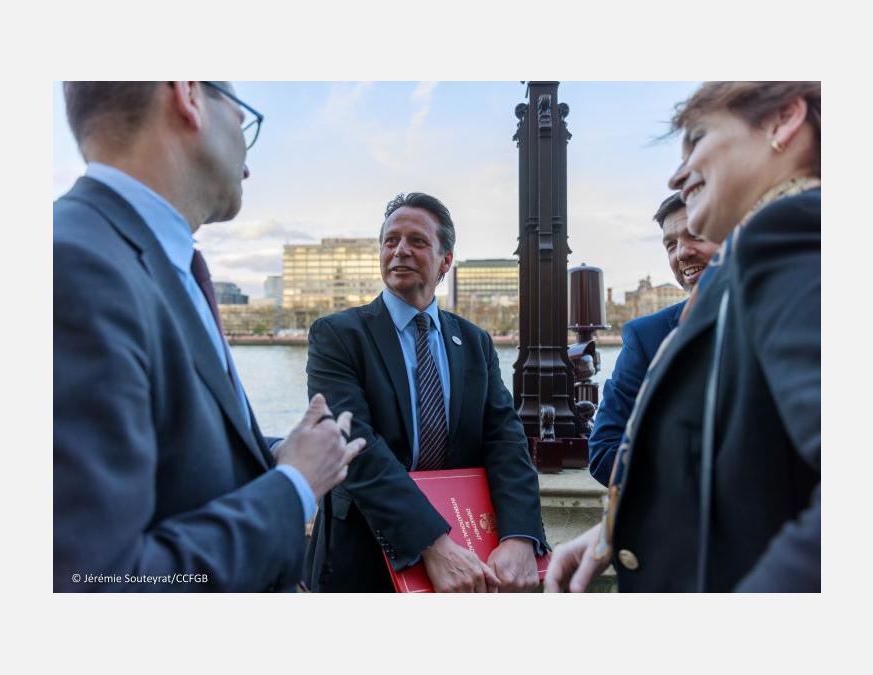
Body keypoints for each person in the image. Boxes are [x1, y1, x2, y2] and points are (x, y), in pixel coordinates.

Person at [54, 82, 365, 592]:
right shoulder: (73, 268)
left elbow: (173, 470)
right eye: (244, 119)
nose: (246, 146)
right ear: (189, 94)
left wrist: (275, 455)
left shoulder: (144, 260)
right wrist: (294, 487)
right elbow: (96, 582)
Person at [546, 81, 821, 592]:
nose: (678, 172)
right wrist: (620, 528)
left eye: (697, 139)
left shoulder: (791, 236)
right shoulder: (754, 262)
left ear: (783, 120)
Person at [304, 192, 548, 592]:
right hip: (363, 554)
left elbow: (505, 439)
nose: (400, 250)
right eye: (390, 240)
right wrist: (432, 544)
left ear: (445, 261)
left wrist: (520, 536)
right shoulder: (337, 335)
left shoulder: (474, 342)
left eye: (417, 241)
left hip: (470, 546)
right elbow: (355, 443)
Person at [587, 193, 719, 485]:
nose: (681, 253)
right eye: (670, 244)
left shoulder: (797, 314)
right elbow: (604, 453)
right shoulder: (647, 336)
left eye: (695, 234)